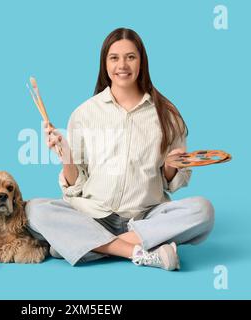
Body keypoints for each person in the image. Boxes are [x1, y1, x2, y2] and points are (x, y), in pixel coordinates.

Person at [25, 28, 214, 271]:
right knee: (33, 209)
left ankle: (85, 246)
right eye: (114, 58)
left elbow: (171, 185)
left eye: (130, 57)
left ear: (141, 62)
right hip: (92, 215)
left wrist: (169, 167)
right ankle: (136, 252)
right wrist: (67, 157)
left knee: (203, 210)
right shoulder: (84, 113)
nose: (122, 65)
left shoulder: (167, 115)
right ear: (104, 64)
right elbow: (76, 185)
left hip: (145, 218)